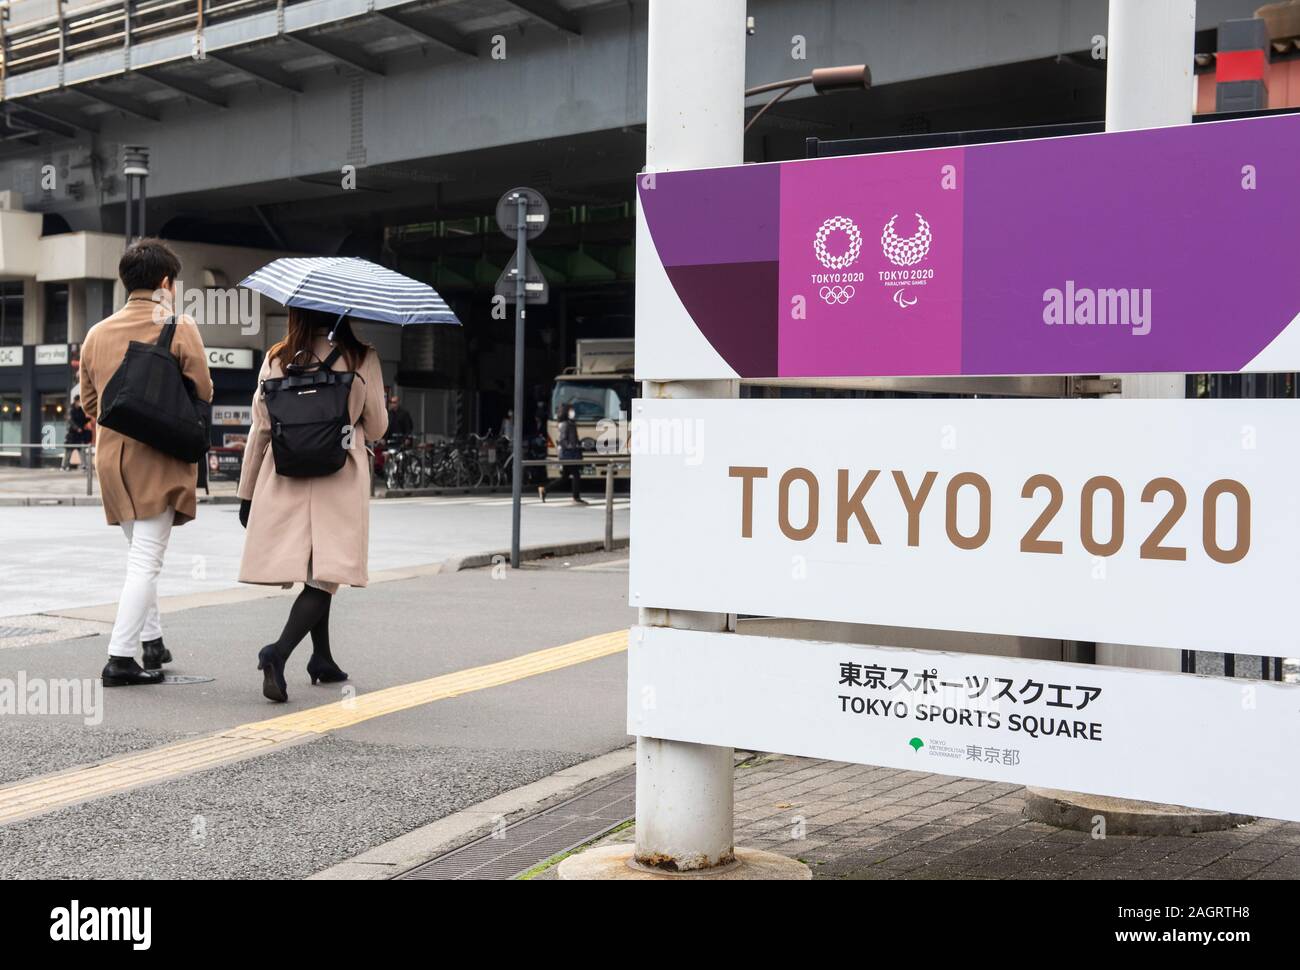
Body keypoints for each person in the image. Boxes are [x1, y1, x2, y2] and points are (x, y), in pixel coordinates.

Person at [79, 239, 213, 687]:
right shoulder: (178, 324)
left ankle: (153, 642)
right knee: (146, 563)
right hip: (156, 461)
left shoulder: (97, 333)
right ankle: (120, 657)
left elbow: (92, 402)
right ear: (164, 282)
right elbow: (203, 389)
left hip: (112, 462)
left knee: (140, 555)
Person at [236, 307, 387, 702]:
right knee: (326, 574)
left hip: (286, 473)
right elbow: (376, 426)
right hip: (338, 474)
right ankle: (278, 652)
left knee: (319, 570)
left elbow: (261, 428)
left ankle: (321, 657)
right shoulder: (360, 356)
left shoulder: (277, 357)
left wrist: (247, 492)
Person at [539, 402, 586, 505]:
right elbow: (563, 440)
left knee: (565, 477)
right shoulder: (566, 424)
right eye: (571, 410)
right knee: (576, 474)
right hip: (569, 455)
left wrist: (579, 445)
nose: (573, 412)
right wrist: (574, 447)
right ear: (566, 412)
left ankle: (545, 489)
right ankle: (576, 497)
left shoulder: (569, 423)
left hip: (569, 454)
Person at [62, 394, 88, 471]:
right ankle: (64, 466)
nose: (80, 403)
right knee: (68, 450)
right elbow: (70, 421)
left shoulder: (81, 410)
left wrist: (88, 420)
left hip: (79, 434)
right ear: (76, 401)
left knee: (82, 450)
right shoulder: (71, 410)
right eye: (79, 401)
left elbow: (83, 420)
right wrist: (77, 428)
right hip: (72, 434)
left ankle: (83, 465)